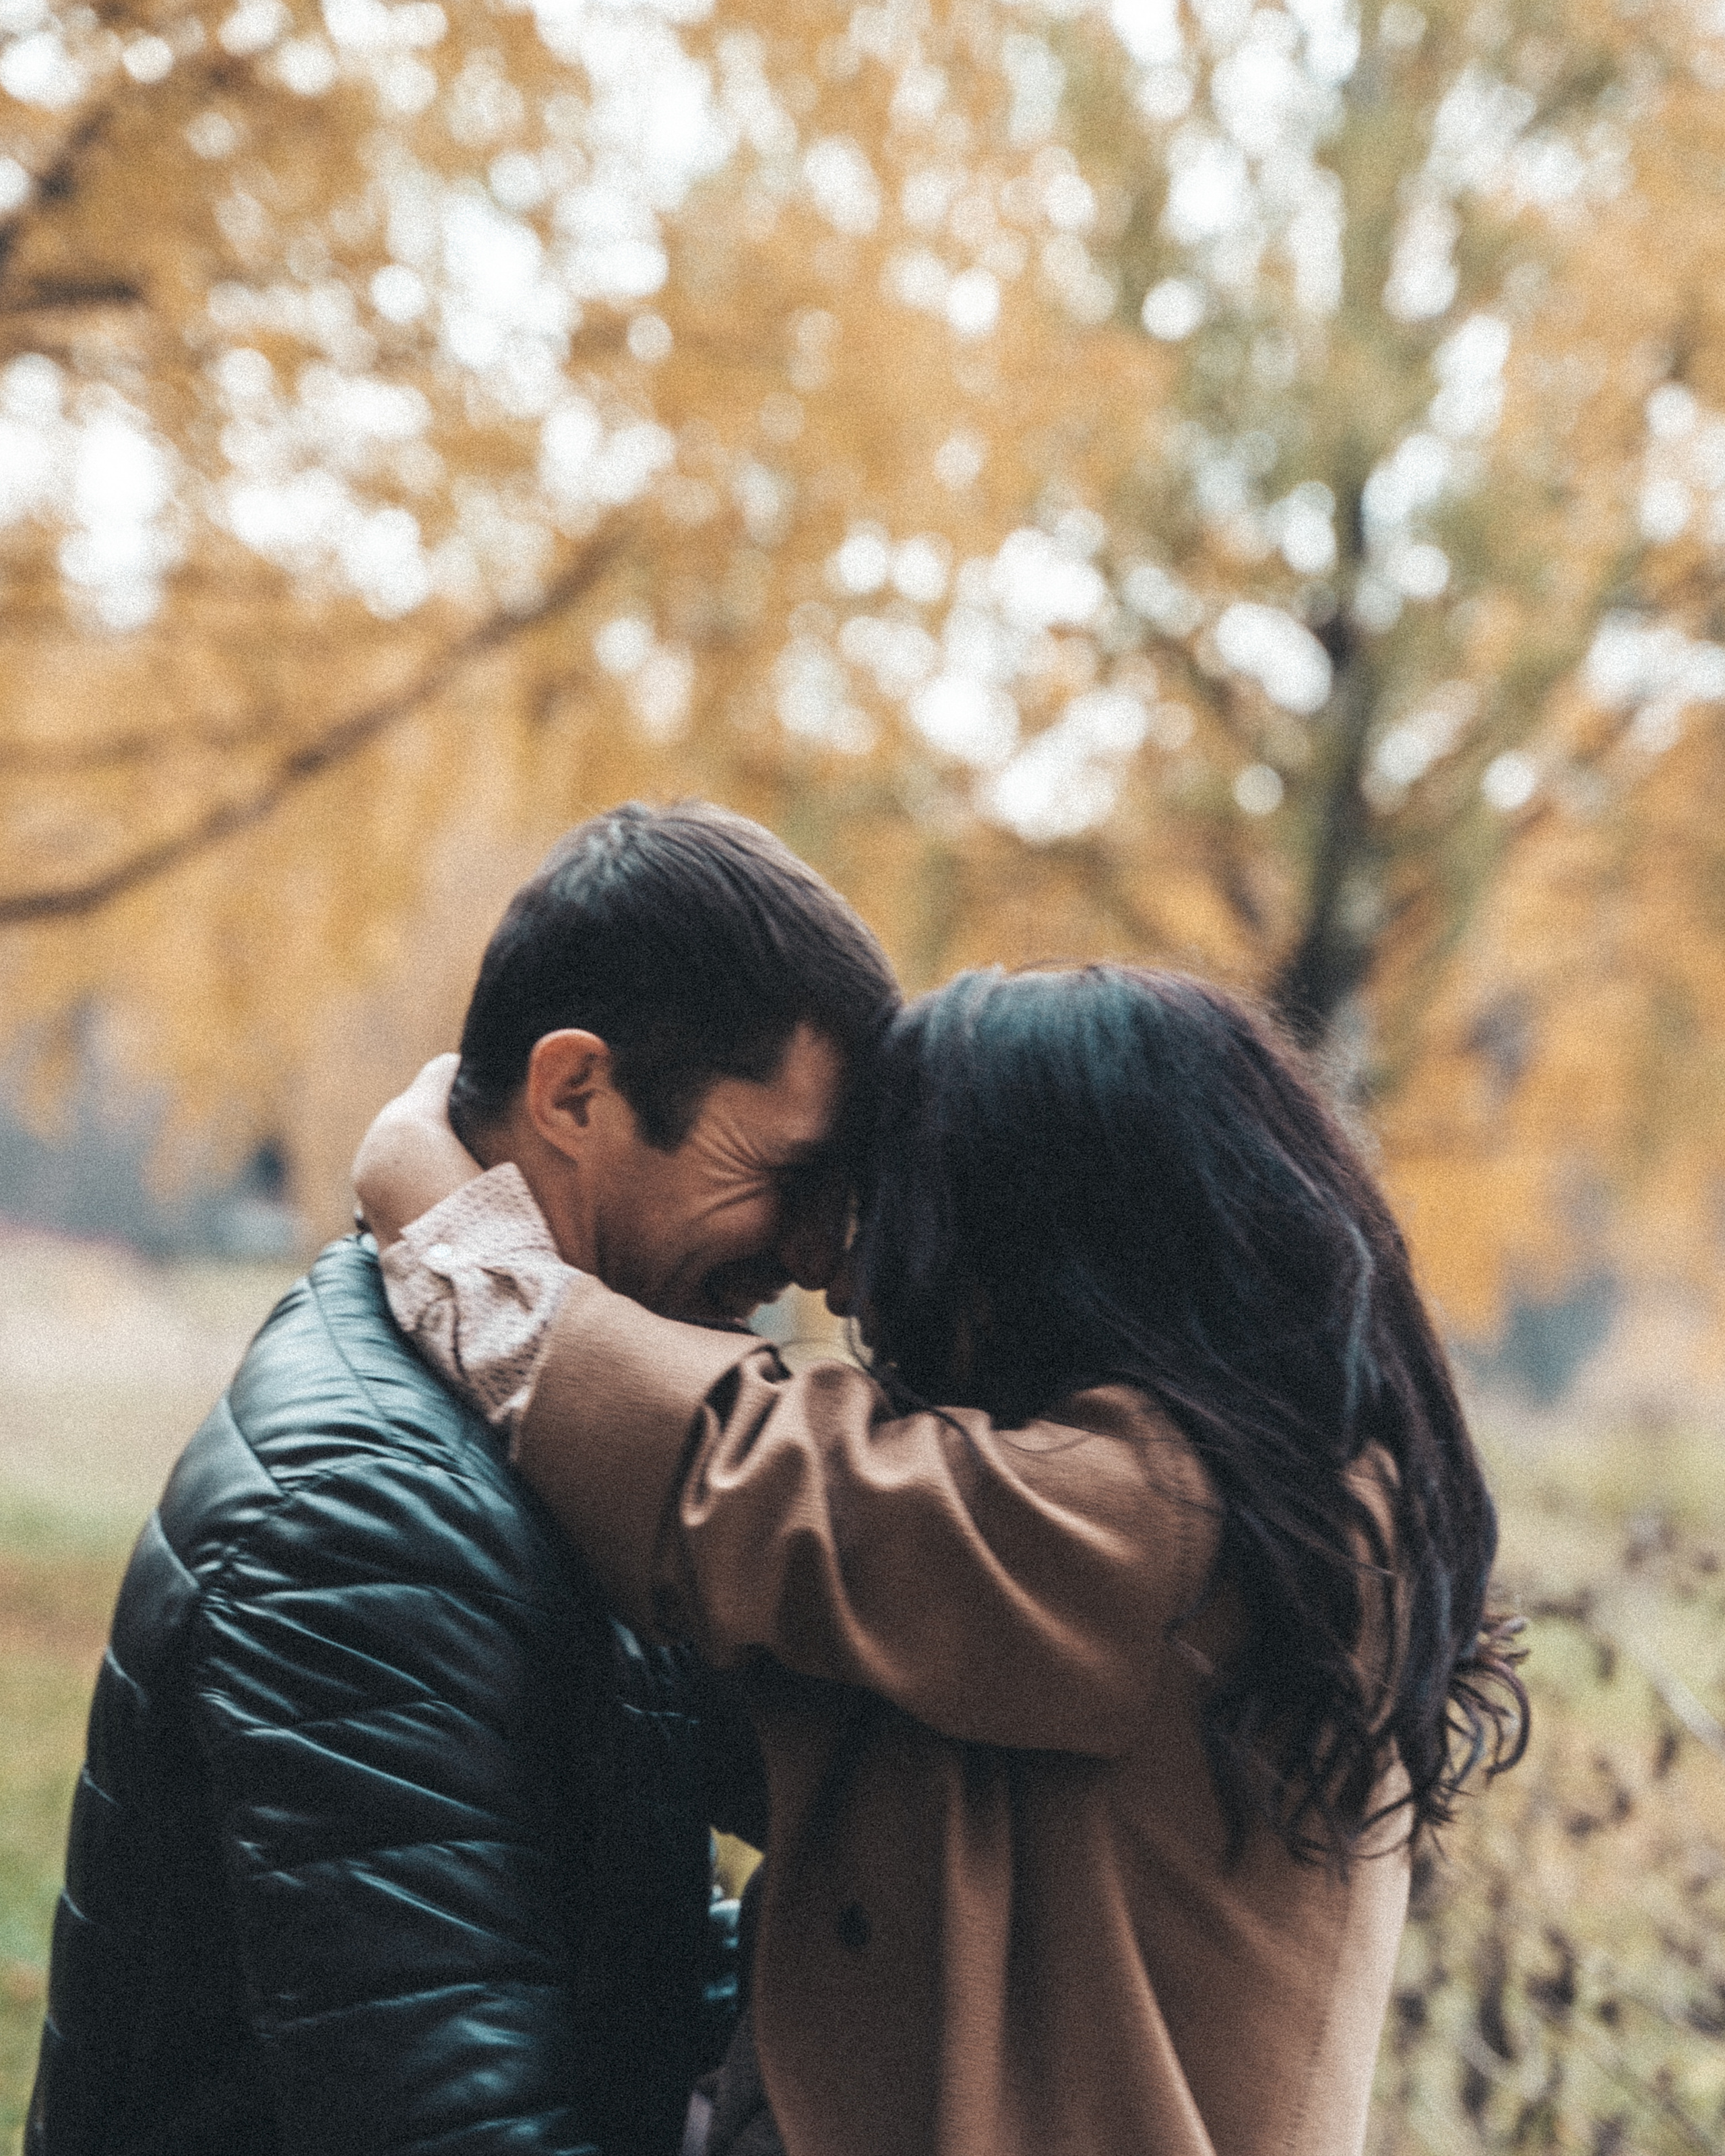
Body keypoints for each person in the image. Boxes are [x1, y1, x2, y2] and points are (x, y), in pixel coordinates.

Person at [356, 962, 1529, 2156]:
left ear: (1050, 1235)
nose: (851, 1281)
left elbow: (755, 1491)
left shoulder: (1171, 1529)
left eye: (896, 1219)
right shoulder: (1246, 1498)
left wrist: (466, 1247)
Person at [28, 800, 902, 2156]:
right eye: (778, 1174)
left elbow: (620, 1945)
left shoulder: (541, 1430)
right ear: (574, 1093)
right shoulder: (368, 1513)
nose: (805, 1254)